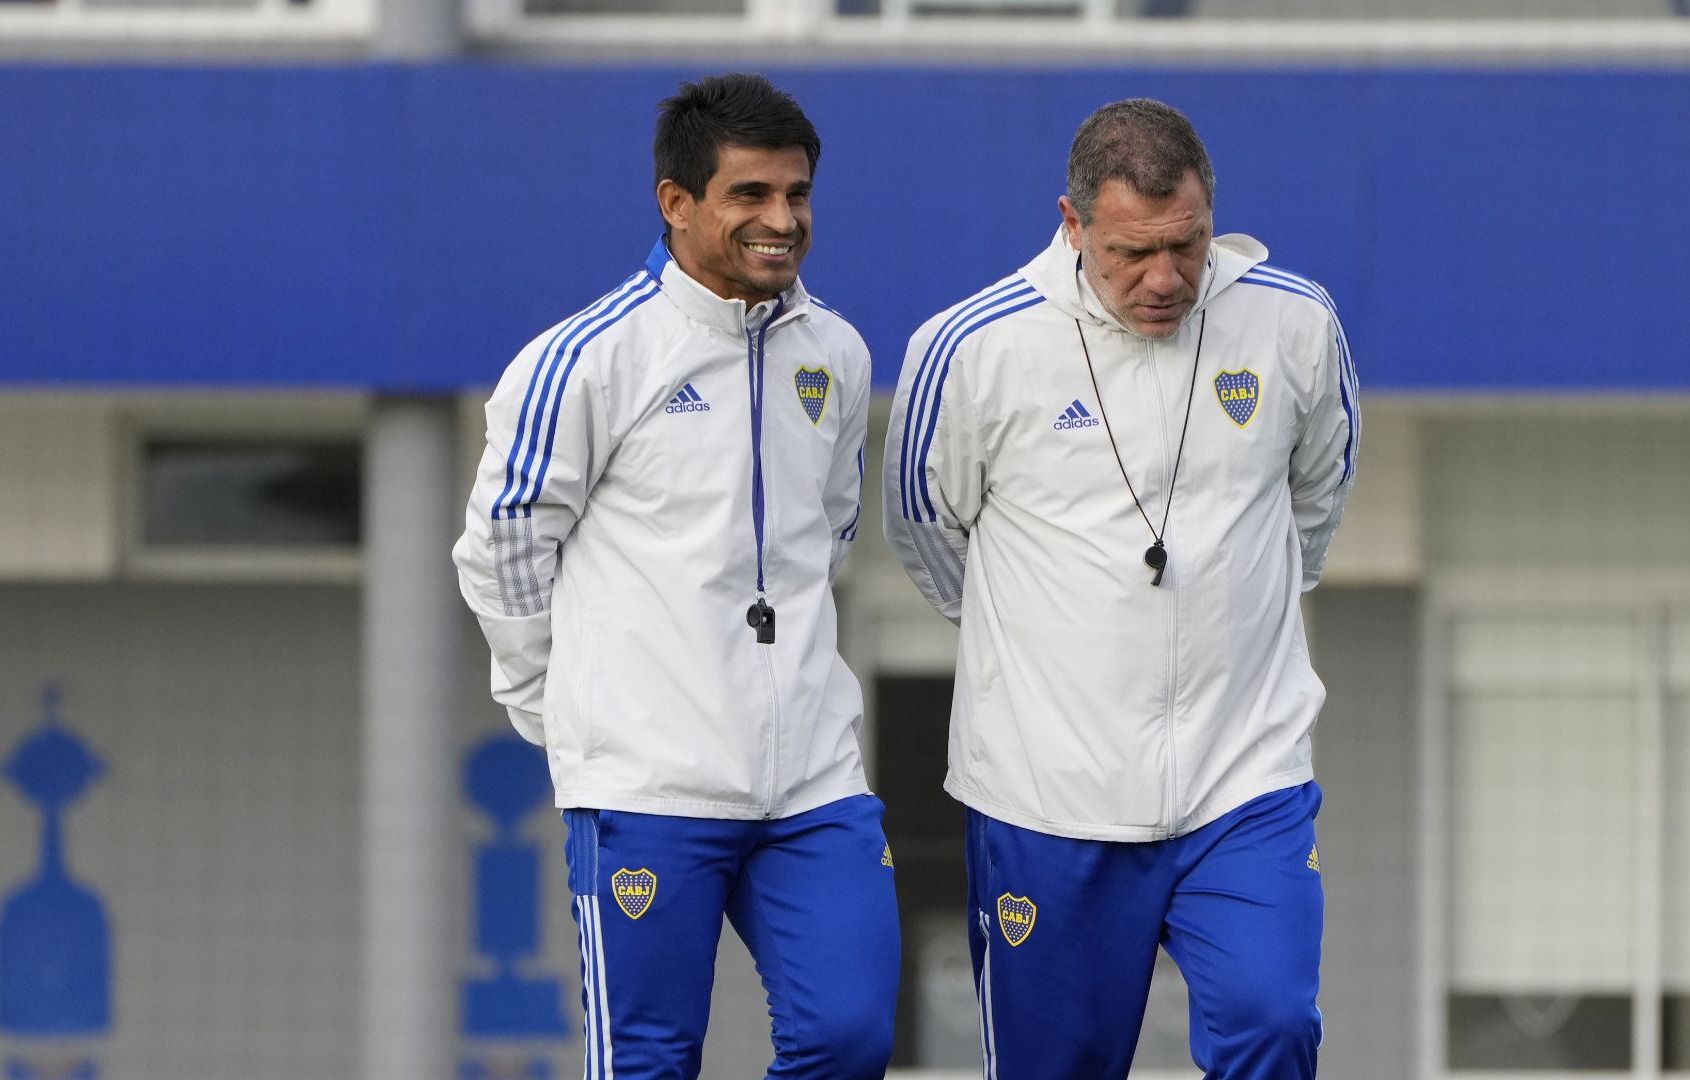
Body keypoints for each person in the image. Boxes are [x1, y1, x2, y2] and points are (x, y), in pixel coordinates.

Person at [882, 98, 1358, 1079]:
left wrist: (1240, 601)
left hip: (1245, 777)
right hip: (1046, 799)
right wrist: (1045, 638)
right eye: (1130, 253)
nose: (1164, 278)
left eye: (1186, 246)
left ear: (1211, 215)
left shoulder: (1295, 322)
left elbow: (1318, 498)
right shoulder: (969, 349)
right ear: (1072, 225)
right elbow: (922, 531)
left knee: (1273, 1025)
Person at [453, 72, 897, 1080]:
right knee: (650, 1060)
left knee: (851, 1037)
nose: (781, 221)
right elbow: (504, 547)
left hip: (813, 781)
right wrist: (556, 703)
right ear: (676, 203)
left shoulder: (837, 351)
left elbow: (826, 533)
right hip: (647, 782)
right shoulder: (585, 360)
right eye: (750, 196)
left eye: (797, 195)